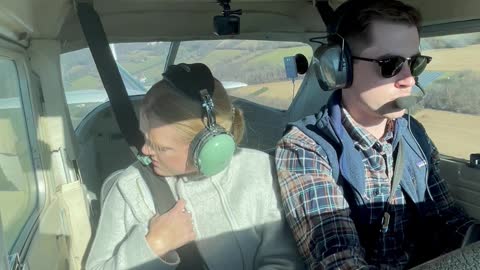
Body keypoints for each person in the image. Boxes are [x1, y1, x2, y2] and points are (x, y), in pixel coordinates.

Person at [275, 0, 477, 269]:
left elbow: (445, 217)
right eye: (390, 63)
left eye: (414, 63)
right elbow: (338, 259)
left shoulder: (413, 132)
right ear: (339, 67)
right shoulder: (305, 149)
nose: (409, 79)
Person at [86, 63, 304, 270]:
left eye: (160, 147)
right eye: (144, 136)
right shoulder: (130, 188)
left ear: (207, 149)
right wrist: (153, 247)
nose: (144, 151)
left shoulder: (259, 172)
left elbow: (285, 260)